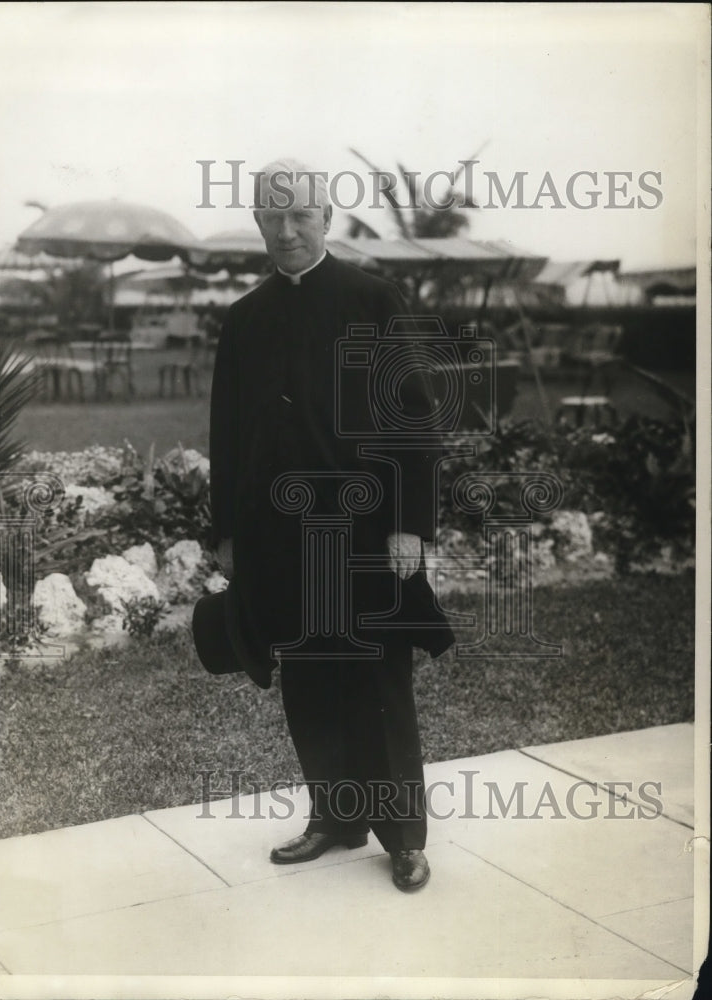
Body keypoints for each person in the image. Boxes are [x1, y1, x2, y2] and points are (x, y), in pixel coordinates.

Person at [207, 158, 453, 892]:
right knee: (309, 680)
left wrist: (410, 523)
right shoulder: (243, 318)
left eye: (299, 216)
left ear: (325, 217)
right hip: (278, 536)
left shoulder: (373, 299)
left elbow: (415, 417)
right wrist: (226, 530)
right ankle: (335, 818)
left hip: (366, 530)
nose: (285, 230)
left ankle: (403, 838)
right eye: (271, 217)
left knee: (378, 683)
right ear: (255, 222)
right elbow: (226, 430)